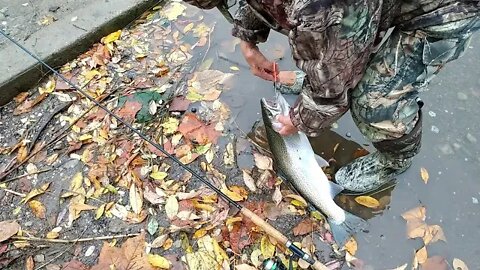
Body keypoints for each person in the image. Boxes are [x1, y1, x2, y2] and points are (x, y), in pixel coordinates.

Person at [184, 0, 480, 193]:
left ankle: (396, 159)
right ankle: (322, 77)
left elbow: (334, 88)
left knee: (372, 103)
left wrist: (300, 119)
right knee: (336, 60)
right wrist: (247, 37)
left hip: (444, 10)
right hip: (364, 10)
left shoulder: (318, 9)